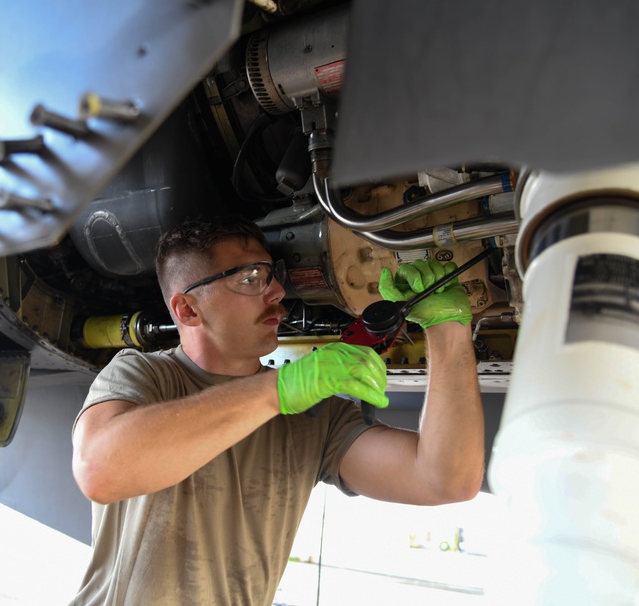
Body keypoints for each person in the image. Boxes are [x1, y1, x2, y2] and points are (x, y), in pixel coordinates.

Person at [70, 215, 484, 605]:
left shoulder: (315, 418)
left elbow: (447, 480)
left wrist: (448, 331)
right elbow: (101, 471)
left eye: (272, 275)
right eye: (251, 279)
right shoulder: (143, 375)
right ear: (188, 309)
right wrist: (280, 390)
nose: (277, 293)